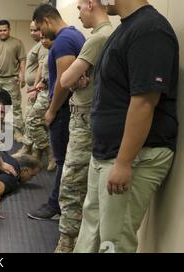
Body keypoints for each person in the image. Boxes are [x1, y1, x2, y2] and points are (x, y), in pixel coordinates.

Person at [74, 0, 179, 253]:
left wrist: (123, 162)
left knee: (113, 242)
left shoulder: (150, 30)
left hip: (133, 156)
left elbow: (144, 103)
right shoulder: (124, 29)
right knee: (91, 235)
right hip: (106, 152)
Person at [52, 0, 113, 253]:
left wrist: (74, 79)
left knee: (71, 185)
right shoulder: (109, 36)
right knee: (84, 186)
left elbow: (65, 79)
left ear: (90, 4)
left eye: (79, 8)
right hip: (89, 116)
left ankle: (66, 244)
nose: (78, 15)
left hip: (85, 121)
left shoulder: (99, 38)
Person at [27, 4, 86, 221]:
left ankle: (56, 207)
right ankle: (59, 205)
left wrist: (51, 111)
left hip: (63, 111)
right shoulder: (75, 35)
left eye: (40, 28)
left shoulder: (63, 41)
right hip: (69, 109)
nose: (41, 34)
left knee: (62, 160)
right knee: (66, 160)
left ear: (47, 21)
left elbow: (63, 83)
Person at [15, 22, 56, 172]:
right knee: (33, 121)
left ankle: (49, 153)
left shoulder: (48, 47)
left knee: (32, 121)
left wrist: (37, 87)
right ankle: (35, 153)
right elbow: (42, 68)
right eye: (31, 30)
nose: (33, 33)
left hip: (44, 93)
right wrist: (36, 85)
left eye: (36, 30)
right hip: (39, 89)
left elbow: (43, 68)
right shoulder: (43, 46)